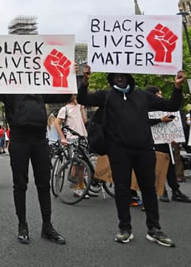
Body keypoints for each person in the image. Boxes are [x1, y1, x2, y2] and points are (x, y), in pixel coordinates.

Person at [78, 66, 185, 247]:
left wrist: (177, 87)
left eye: (122, 75)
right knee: (122, 190)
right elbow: (83, 99)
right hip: (119, 151)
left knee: (149, 189)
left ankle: (154, 228)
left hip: (144, 150)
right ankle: (124, 228)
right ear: (111, 78)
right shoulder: (106, 95)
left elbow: (172, 105)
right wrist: (85, 81)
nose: (119, 79)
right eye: (115, 76)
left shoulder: (143, 95)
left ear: (129, 76)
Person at [0, 61, 70, 245]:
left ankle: (47, 226)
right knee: (20, 184)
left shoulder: (39, 84)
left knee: (43, 184)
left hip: (40, 138)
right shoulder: (9, 86)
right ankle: (22, 225)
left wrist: (73, 77)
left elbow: (62, 94)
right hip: (19, 138)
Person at [144, 87, 191, 204]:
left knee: (170, 164)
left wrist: (177, 136)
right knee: (158, 166)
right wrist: (160, 119)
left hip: (166, 141)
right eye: (159, 93)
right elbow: (144, 121)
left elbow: (175, 120)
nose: (161, 96)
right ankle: (162, 190)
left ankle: (175, 190)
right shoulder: (144, 108)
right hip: (152, 142)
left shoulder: (165, 107)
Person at [54, 95, 90, 199]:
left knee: (83, 165)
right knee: (76, 164)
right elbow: (57, 123)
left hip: (83, 137)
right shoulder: (64, 109)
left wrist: (82, 109)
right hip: (72, 139)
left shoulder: (79, 107)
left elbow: (84, 121)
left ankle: (82, 187)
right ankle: (77, 187)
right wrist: (62, 138)